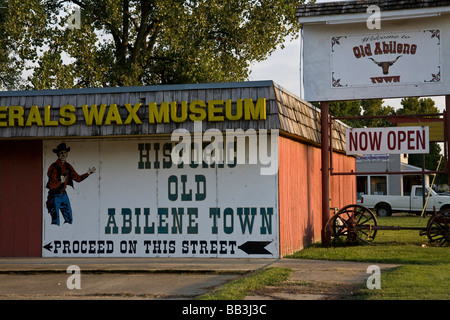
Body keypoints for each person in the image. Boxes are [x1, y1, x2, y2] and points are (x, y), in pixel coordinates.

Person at [46, 142, 96, 225]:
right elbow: (51, 185)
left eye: (65, 153)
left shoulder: (68, 166)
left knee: (69, 218)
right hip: (54, 195)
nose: (63, 155)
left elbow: (78, 178)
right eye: (61, 153)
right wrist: (60, 181)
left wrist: (88, 173)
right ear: (58, 154)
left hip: (63, 194)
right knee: (55, 220)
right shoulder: (53, 167)